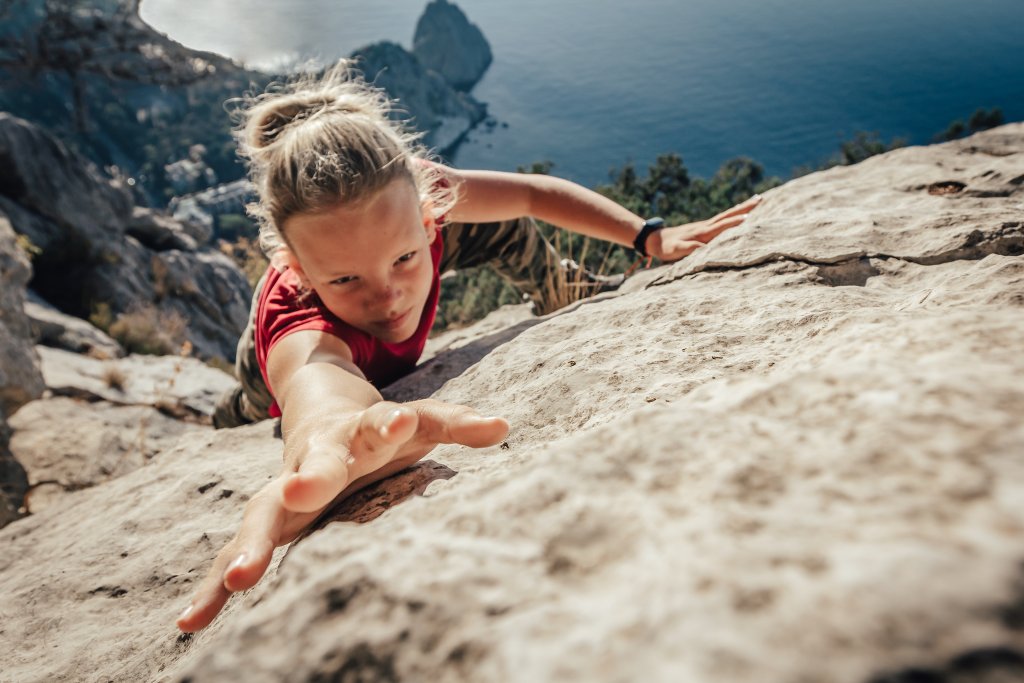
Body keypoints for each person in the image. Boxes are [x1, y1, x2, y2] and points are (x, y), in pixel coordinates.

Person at [176, 61, 761, 633]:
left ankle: (567, 290)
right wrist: (326, 438)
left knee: (507, 225)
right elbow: (316, 387)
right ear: (297, 268)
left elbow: (532, 195)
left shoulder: (411, 194)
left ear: (429, 217)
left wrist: (647, 235)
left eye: (404, 258)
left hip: (393, 246)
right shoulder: (300, 322)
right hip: (268, 369)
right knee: (253, 408)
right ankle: (224, 412)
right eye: (347, 279)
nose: (388, 298)